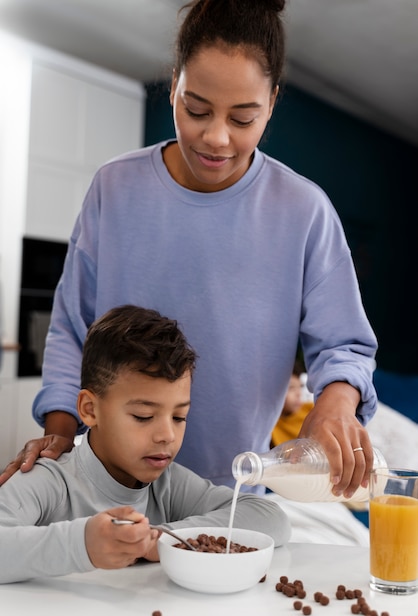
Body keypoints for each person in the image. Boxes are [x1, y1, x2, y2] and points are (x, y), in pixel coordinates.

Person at [0, 0, 378, 500]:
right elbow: (73, 328)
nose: (216, 137)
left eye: (243, 119)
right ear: (175, 82)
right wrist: (61, 436)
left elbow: (344, 346)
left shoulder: (303, 210)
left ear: (273, 102)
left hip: (231, 494)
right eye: (196, 109)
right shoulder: (115, 188)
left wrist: (335, 403)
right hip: (106, 490)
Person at [0, 305, 290, 584]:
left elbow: (271, 519)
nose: (167, 435)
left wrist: (160, 538)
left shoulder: (169, 484)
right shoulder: (50, 480)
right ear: (89, 409)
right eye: (143, 416)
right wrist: (82, 545)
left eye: (179, 416)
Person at [271, 360, 314, 447]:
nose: (298, 394)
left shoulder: (312, 410)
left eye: (300, 387)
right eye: (291, 388)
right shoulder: (270, 426)